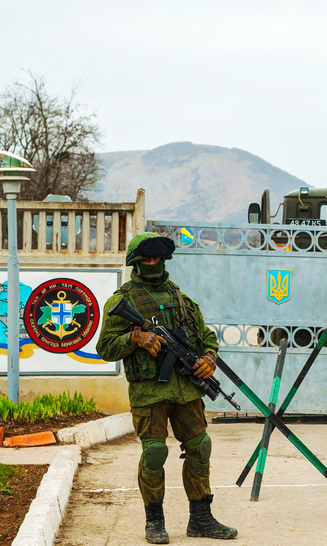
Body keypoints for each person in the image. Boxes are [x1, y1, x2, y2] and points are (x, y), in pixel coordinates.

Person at [97, 232, 237, 543]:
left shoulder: (182, 299)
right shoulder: (123, 301)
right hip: (150, 392)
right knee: (156, 452)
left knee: (201, 447)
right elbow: (104, 348)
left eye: (157, 258)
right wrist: (134, 339)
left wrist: (209, 358)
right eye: (146, 259)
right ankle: (155, 522)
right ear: (135, 263)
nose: (152, 263)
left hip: (186, 390)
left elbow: (206, 336)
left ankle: (201, 519)